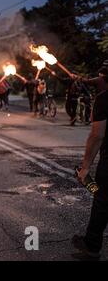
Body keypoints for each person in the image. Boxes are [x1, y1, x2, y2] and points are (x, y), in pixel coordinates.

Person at [73, 73, 108, 260]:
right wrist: (83, 80)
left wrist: (85, 167)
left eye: (101, 75)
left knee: (102, 202)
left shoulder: (104, 99)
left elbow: (96, 136)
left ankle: (92, 246)